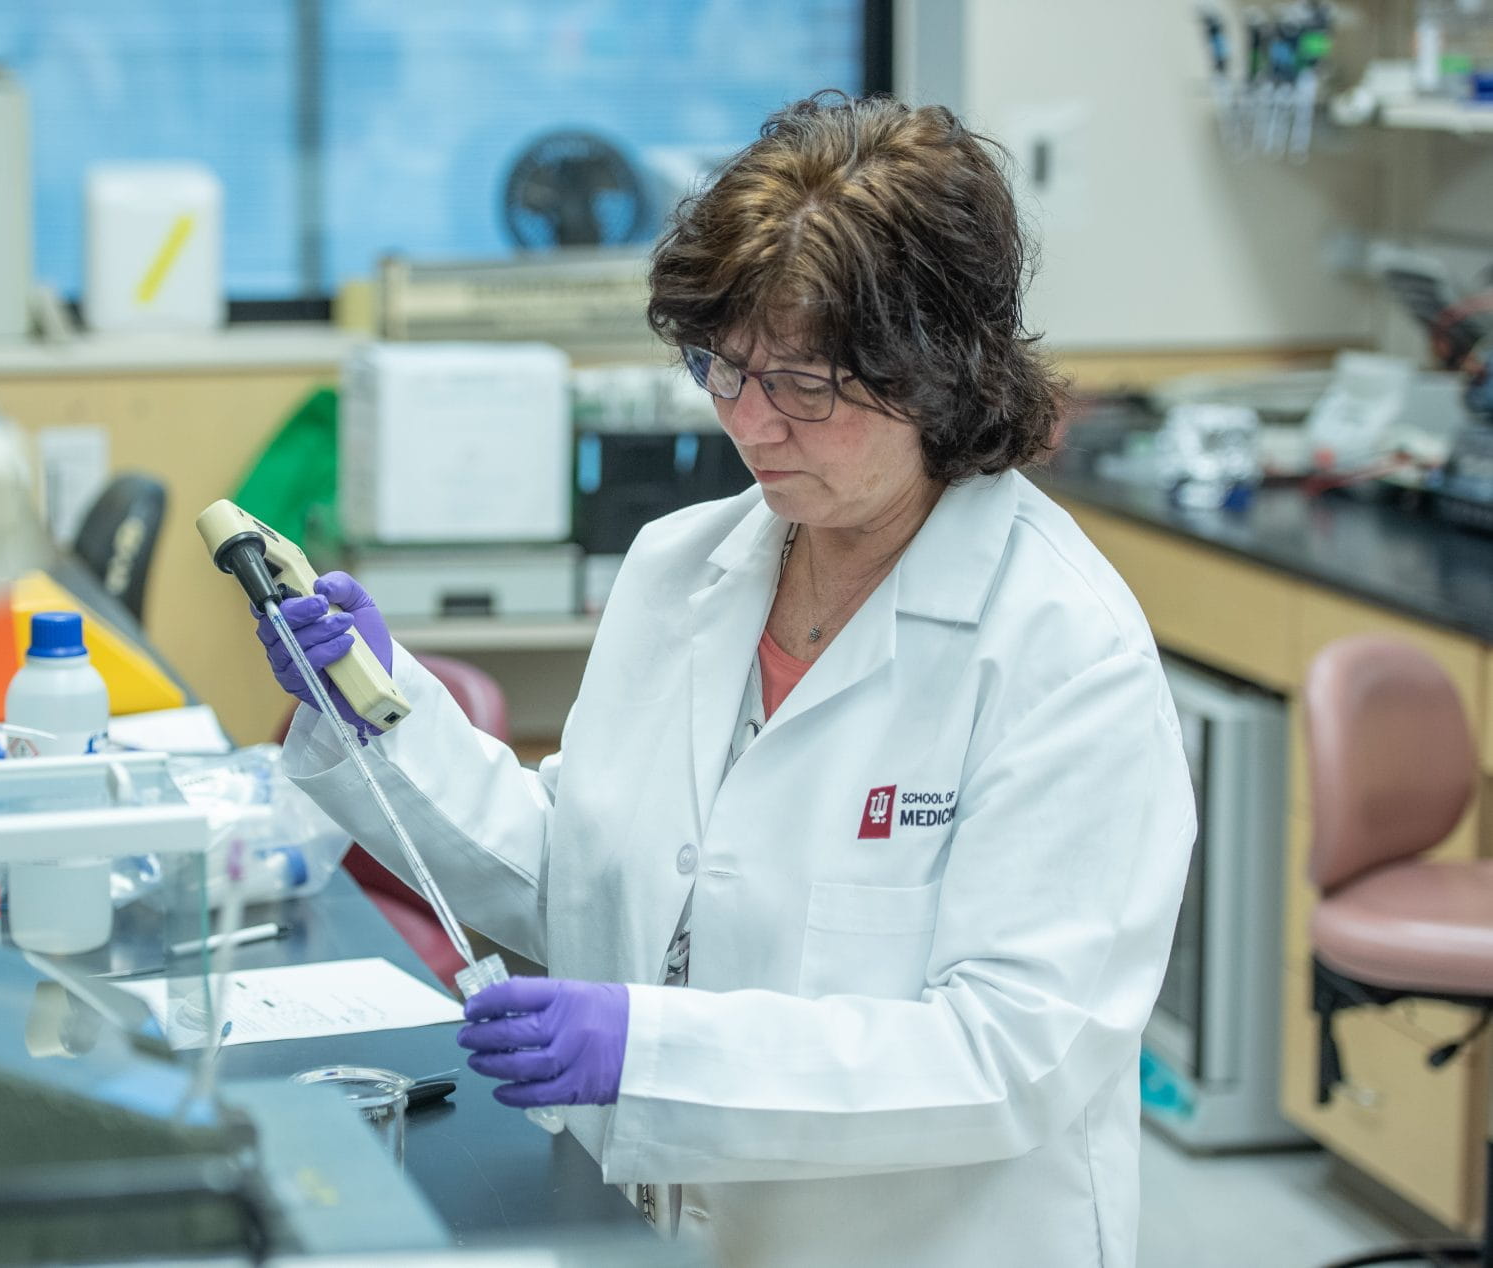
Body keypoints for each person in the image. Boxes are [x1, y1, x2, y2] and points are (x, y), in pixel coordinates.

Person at [258, 92, 1194, 1268]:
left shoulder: (1062, 647)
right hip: (656, 1230)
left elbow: (1007, 1053)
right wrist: (383, 716)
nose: (750, 420)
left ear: (937, 371)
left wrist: (649, 1052)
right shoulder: (678, 567)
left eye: (805, 382)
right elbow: (587, 878)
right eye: (722, 367)